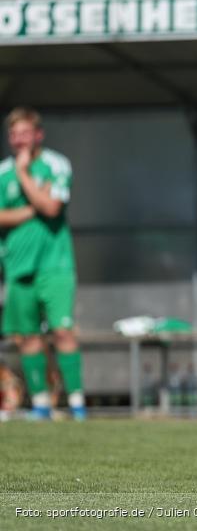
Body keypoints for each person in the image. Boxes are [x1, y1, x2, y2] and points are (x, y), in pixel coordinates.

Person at [0, 107, 84, 421]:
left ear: (38, 134)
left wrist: (24, 175)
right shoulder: (1, 172)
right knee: (27, 336)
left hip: (55, 264)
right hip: (17, 267)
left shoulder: (55, 164)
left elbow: (52, 207)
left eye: (24, 133)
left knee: (62, 331)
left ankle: (77, 405)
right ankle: (40, 406)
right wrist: (31, 207)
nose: (18, 139)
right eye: (13, 134)